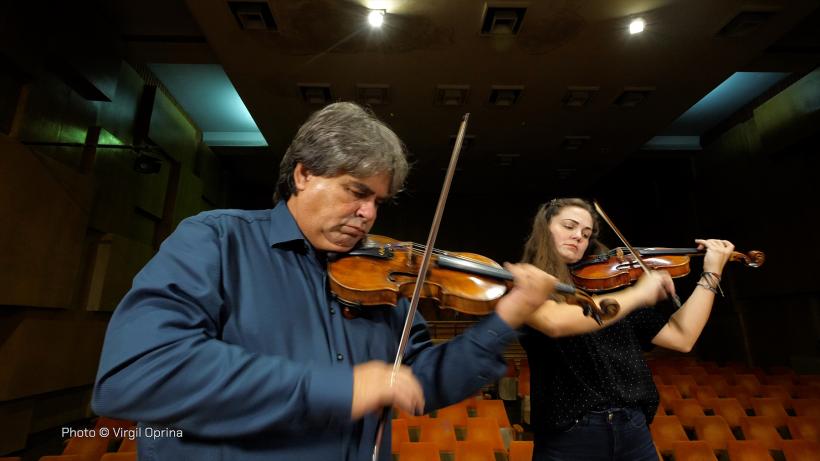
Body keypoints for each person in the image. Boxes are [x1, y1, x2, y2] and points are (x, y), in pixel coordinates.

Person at [91, 102, 580, 461]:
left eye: (378, 201)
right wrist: (335, 388)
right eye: (356, 192)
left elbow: (421, 383)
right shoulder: (216, 241)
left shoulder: (381, 282)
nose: (368, 213)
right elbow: (137, 373)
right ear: (304, 175)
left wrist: (508, 318)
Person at [518, 198, 735, 460]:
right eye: (569, 226)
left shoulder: (611, 287)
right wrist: (639, 292)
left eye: (586, 234)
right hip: (570, 436)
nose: (578, 236)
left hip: (632, 430)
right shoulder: (526, 283)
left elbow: (682, 337)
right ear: (545, 228)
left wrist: (711, 274)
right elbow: (555, 322)